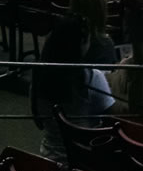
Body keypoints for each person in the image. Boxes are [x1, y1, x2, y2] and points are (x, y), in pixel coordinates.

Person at [32, 16, 117, 160]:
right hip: (85, 158)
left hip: (50, 155)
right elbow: (113, 121)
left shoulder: (38, 75)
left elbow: (39, 122)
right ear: (82, 43)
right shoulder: (90, 76)